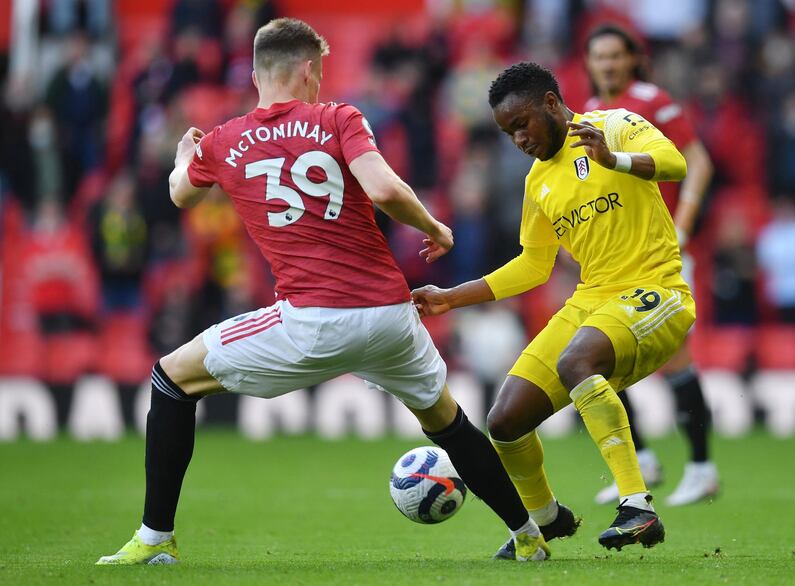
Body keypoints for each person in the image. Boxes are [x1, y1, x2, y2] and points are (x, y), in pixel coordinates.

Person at [96, 18, 554, 566]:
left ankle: (154, 540)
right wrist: (434, 228)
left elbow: (180, 196)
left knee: (171, 377)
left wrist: (180, 156)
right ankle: (528, 535)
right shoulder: (339, 118)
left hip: (312, 321)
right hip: (391, 317)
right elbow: (383, 187)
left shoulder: (223, 139)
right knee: (447, 422)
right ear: (308, 70)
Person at [413, 61, 695, 555]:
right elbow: (533, 266)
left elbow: (674, 162)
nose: (518, 139)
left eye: (522, 124)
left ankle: (638, 506)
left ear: (550, 103)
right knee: (503, 422)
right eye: (508, 133)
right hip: (592, 299)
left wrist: (615, 161)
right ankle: (545, 519)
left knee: (576, 362)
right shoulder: (538, 181)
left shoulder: (613, 125)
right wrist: (450, 298)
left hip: (657, 291)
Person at [584, 23, 719, 506]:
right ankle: (642, 458)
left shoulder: (652, 100)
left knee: (675, 358)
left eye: (616, 56)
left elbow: (697, 162)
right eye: (599, 56)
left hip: (662, 250)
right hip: (619, 258)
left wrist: (683, 224)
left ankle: (702, 467)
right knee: (600, 360)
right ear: (589, 63)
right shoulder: (589, 114)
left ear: (631, 59)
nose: (608, 64)